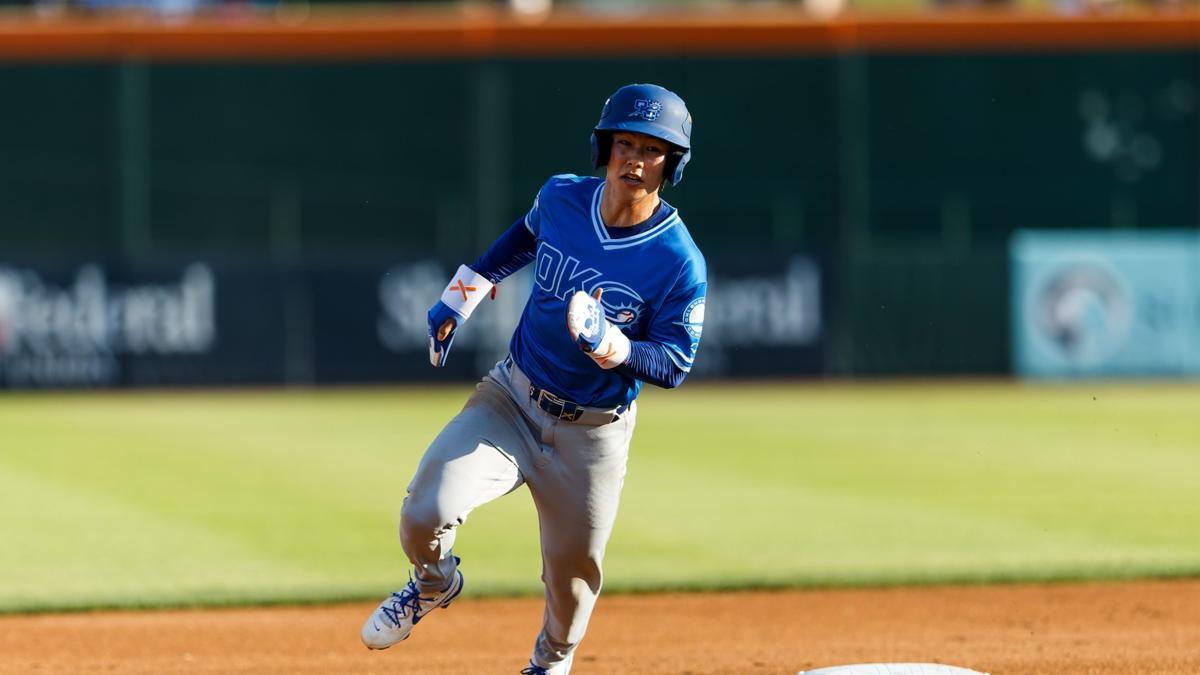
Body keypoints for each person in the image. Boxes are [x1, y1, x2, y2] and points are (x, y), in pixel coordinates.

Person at [361, 83, 707, 675]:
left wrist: (615, 346)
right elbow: (523, 238)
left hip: (592, 434)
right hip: (512, 399)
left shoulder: (678, 260)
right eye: (625, 143)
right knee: (424, 511)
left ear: (671, 163)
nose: (634, 160)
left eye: (652, 150)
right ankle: (433, 582)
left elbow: (674, 363)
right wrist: (462, 293)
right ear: (605, 147)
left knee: (572, 583)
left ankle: (548, 664)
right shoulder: (562, 197)